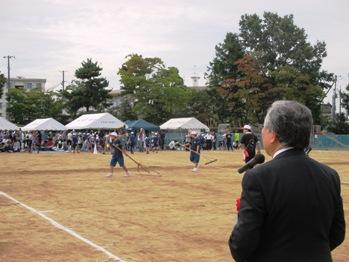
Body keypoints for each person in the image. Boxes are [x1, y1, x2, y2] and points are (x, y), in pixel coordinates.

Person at [228, 100, 345, 262]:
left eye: (264, 128)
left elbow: (241, 246)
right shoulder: (330, 175)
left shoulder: (258, 178)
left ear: (273, 135)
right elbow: (337, 233)